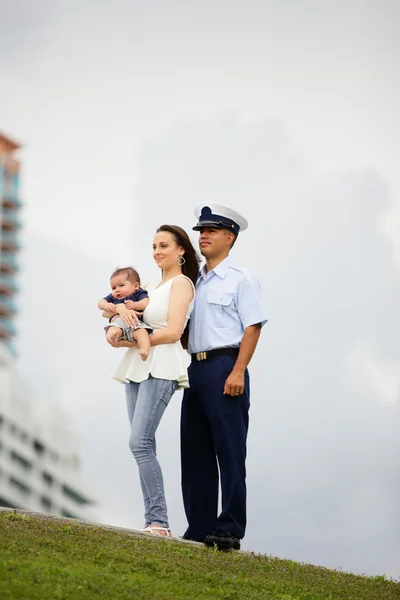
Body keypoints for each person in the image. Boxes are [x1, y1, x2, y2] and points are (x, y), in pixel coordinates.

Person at [181, 203, 267, 550]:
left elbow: (252, 327)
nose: (203, 236)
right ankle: (200, 526)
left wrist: (238, 371)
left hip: (224, 367)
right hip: (194, 369)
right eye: (201, 231)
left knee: (229, 451)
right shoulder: (192, 281)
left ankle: (229, 527)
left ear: (229, 237)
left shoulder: (240, 279)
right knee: (195, 452)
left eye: (211, 231)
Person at [108, 225, 200, 537]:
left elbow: (174, 332)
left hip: (161, 365)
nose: (157, 251)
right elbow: (109, 306)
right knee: (141, 446)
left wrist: (131, 342)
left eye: (164, 245)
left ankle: (159, 523)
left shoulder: (182, 284)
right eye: (154, 246)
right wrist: (120, 306)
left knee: (140, 442)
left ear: (181, 250)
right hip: (137, 367)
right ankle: (153, 521)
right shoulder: (148, 287)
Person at [97, 267, 152, 360]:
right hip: (119, 322)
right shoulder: (113, 298)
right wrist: (106, 305)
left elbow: (145, 302)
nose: (117, 290)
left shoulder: (138, 293)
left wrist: (135, 305)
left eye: (121, 285)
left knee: (142, 333)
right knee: (112, 330)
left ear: (136, 286)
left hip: (135, 323)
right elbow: (100, 302)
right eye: (114, 288)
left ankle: (144, 351)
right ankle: (114, 338)